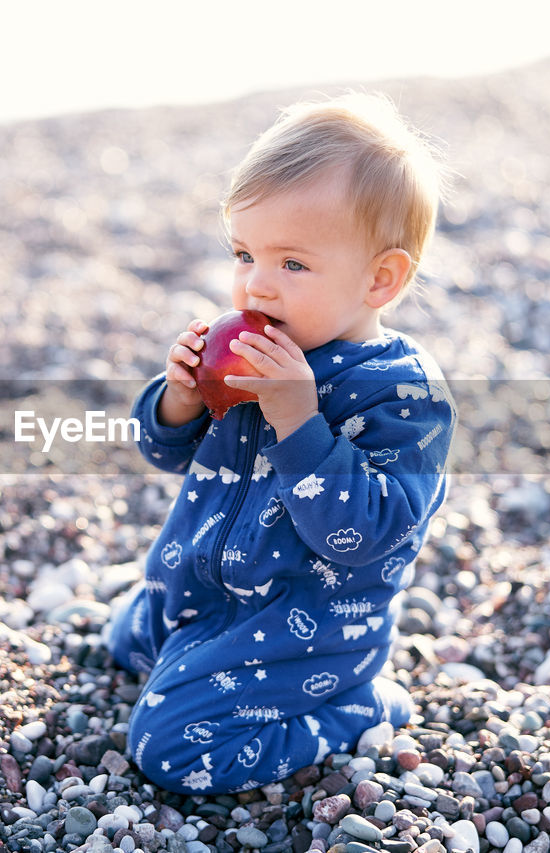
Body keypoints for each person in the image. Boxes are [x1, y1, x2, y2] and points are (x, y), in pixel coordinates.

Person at [107, 92, 455, 794]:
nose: (256, 285)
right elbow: (164, 452)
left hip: (303, 628)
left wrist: (300, 422)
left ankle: (353, 707)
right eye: (244, 253)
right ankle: (193, 645)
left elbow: (366, 532)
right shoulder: (261, 346)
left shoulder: (404, 396)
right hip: (204, 587)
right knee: (121, 641)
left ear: (380, 278)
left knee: (168, 748)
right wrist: (179, 397)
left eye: (292, 264)